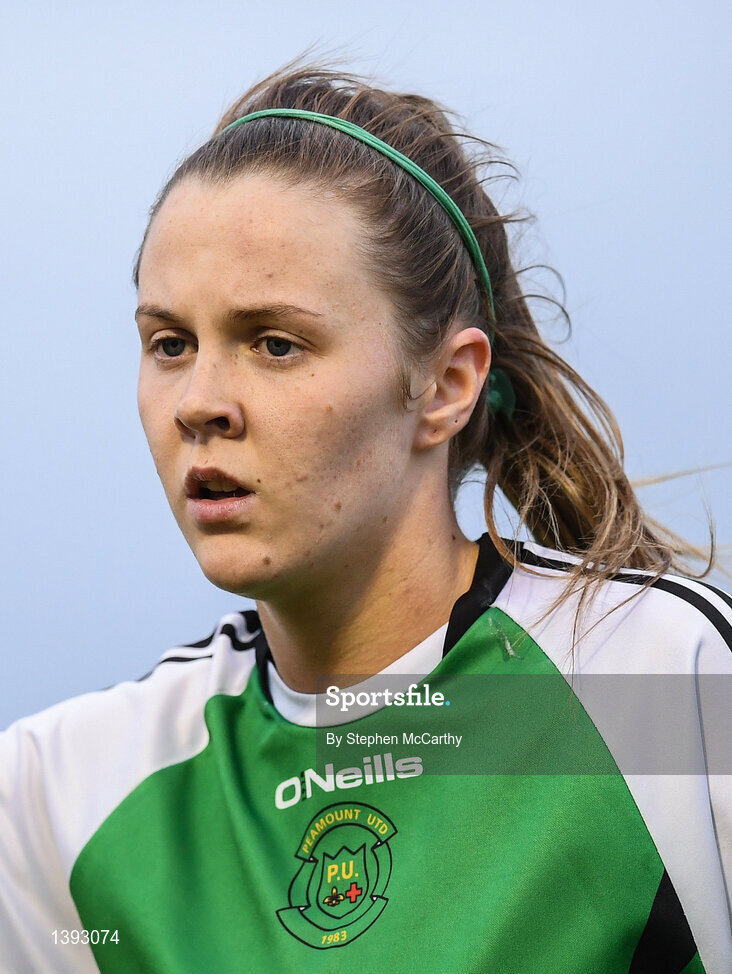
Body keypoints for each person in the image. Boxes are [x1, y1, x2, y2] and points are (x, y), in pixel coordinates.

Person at [0, 63, 729, 974]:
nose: (199, 403)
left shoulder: (664, 682)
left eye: (275, 343)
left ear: (446, 385)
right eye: (169, 344)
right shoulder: (57, 792)